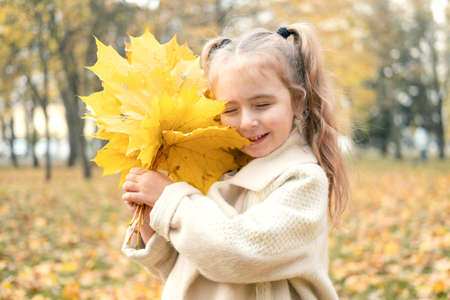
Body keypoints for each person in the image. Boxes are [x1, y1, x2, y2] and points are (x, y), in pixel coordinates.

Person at [121, 23, 350, 300]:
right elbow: (188, 269)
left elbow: (238, 254)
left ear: (297, 102)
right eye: (230, 109)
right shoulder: (216, 171)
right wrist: (152, 218)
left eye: (262, 105)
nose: (247, 122)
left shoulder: (302, 180)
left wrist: (170, 200)